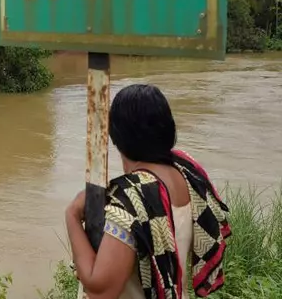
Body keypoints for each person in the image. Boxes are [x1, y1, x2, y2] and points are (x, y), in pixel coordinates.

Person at [65, 84, 231, 299]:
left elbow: (101, 290)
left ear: (117, 137)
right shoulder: (186, 173)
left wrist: (72, 215)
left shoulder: (131, 199)